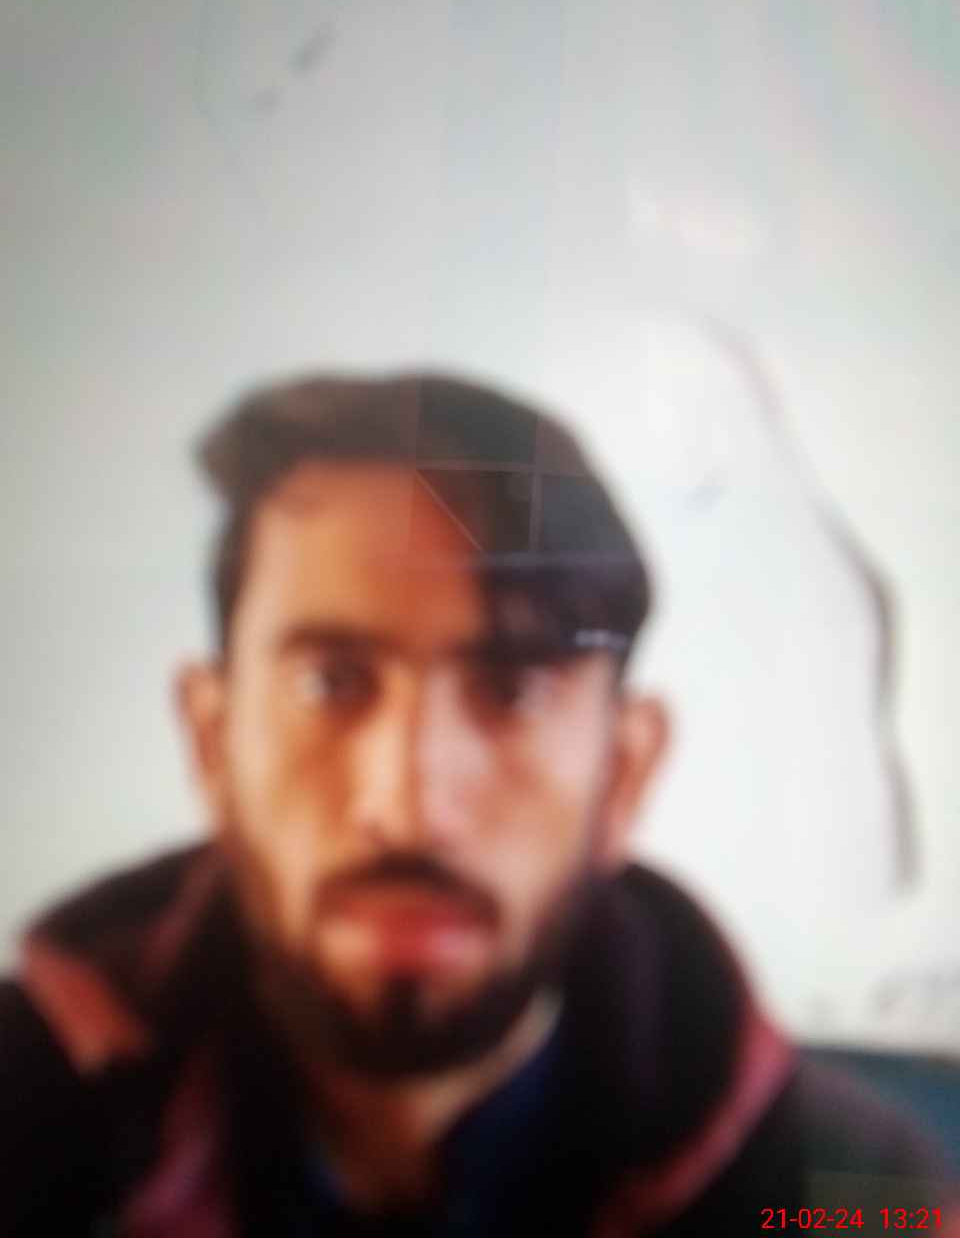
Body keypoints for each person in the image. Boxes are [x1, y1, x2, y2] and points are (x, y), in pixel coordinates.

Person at [1, 371, 955, 1237]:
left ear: (624, 772)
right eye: (331, 683)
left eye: (512, 690)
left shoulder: (858, 1198)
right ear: (213, 743)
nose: (410, 806)